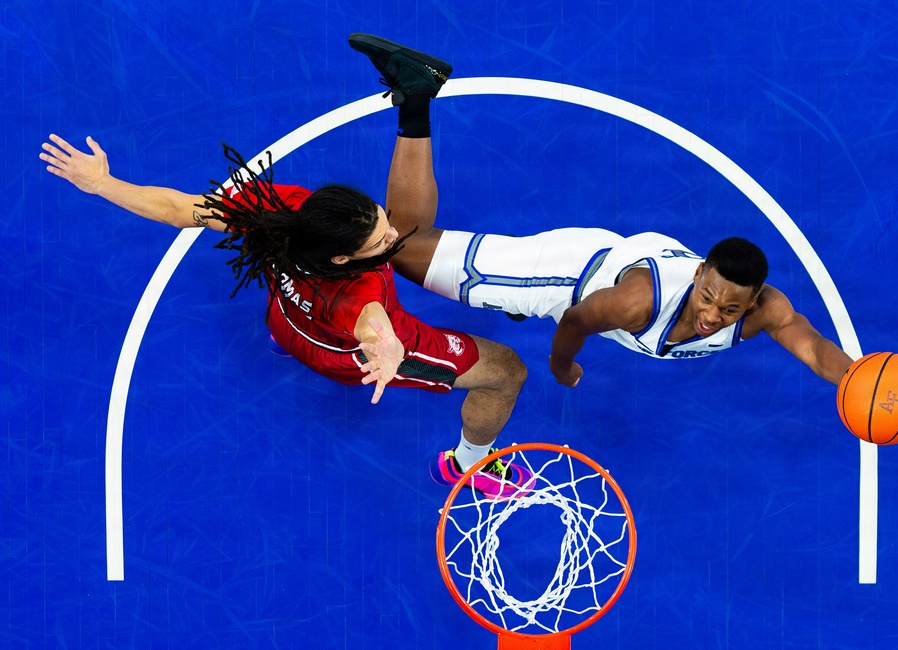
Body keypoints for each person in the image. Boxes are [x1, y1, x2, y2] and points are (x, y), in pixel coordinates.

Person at [39, 34, 534, 500]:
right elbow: (373, 323)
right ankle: (470, 463)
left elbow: (178, 208)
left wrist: (102, 184)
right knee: (507, 371)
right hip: (346, 354)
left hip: (287, 321)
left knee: (403, 235)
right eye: (378, 239)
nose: (390, 236)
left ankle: (415, 99)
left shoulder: (279, 213)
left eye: (379, 221)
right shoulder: (359, 294)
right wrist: (387, 349)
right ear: (343, 259)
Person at [378, 69, 855, 389]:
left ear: (751, 304)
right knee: (399, 246)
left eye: (730, 309)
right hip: (566, 279)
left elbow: (814, 349)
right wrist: (561, 366)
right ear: (698, 276)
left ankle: (511, 276)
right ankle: (417, 94)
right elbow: (576, 321)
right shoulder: (635, 303)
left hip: (615, 259)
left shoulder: (765, 310)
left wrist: (858, 381)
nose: (712, 316)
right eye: (708, 297)